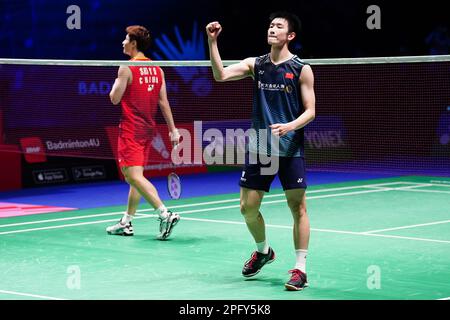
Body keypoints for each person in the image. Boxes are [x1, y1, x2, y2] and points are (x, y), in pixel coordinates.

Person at [206, 12, 315, 291]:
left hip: (289, 148)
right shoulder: (257, 64)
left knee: (297, 207)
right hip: (260, 148)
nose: (272, 29)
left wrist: (290, 126)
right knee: (247, 208)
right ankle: (264, 251)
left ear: (290, 35)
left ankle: (300, 269)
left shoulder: (302, 69)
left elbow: (311, 111)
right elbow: (220, 75)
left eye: (279, 26)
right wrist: (212, 42)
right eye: (270, 25)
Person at [106, 25, 181, 240]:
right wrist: (173, 130)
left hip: (130, 129)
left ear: (133, 43)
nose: (122, 42)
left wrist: (116, 82)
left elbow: (114, 98)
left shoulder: (126, 68)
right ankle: (126, 222)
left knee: (133, 176)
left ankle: (164, 214)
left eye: (125, 39)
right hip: (149, 130)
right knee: (135, 178)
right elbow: (163, 102)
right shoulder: (158, 69)